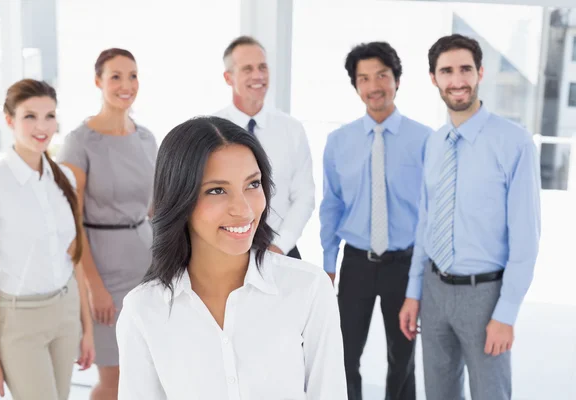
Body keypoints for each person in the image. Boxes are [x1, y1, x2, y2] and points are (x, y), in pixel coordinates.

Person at [115, 116, 347, 400]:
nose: (244, 209)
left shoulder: (308, 290)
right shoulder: (143, 310)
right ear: (180, 199)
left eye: (252, 184)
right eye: (217, 190)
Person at [399, 34, 541, 400]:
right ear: (434, 78)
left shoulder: (515, 143)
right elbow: (426, 223)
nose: (457, 80)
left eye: (465, 69)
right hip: (434, 289)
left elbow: (526, 237)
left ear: (480, 72)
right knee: (438, 394)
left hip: (486, 295)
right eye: (446, 71)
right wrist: (414, 293)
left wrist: (506, 312)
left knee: (490, 394)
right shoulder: (434, 142)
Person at [320, 42, 432, 400]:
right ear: (356, 86)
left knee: (403, 359)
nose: (374, 86)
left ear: (396, 79)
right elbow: (332, 205)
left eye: (382, 75)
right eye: (364, 78)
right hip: (356, 263)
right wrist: (328, 263)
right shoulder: (338, 142)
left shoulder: (426, 140)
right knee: (344, 354)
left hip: (407, 264)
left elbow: (434, 211)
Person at [0, 79, 95, 400]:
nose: (42, 127)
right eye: (30, 116)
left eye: (49, 116)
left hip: (66, 313)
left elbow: (76, 258)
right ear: (9, 120)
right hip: (19, 322)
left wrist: (87, 328)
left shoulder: (65, 178)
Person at [57, 48, 157, 400]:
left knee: (144, 373)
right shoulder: (80, 142)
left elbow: (156, 208)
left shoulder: (146, 138)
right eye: (116, 76)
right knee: (113, 380)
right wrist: (94, 286)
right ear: (98, 81)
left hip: (147, 264)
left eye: (132, 75)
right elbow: (71, 223)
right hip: (103, 269)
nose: (126, 84)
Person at [215, 35, 315, 259]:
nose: (258, 76)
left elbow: (304, 196)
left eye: (262, 67)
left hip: (281, 250)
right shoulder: (210, 130)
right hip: (225, 250)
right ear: (228, 77)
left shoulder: (292, 129)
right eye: (247, 69)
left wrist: (279, 246)